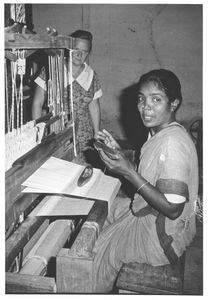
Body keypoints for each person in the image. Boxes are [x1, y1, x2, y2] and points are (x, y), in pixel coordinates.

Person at [92, 69, 199, 293]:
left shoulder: (172, 144)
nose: (145, 106)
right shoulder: (159, 132)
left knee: (99, 252)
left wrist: (128, 171)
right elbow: (151, 175)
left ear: (174, 104)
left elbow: (172, 208)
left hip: (163, 237)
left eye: (156, 99)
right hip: (154, 215)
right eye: (141, 99)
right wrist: (119, 153)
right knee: (103, 208)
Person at [32, 29, 102, 164]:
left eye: (84, 52)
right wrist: (38, 134)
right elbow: (37, 104)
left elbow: (94, 105)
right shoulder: (52, 70)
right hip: (56, 131)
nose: (79, 55)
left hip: (83, 134)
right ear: (68, 49)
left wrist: (97, 134)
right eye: (76, 49)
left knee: (81, 171)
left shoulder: (92, 76)